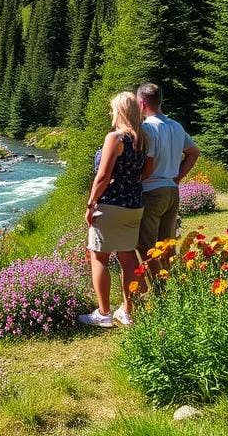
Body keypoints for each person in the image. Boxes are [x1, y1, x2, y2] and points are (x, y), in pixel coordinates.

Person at [78, 91, 153, 328]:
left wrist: (91, 204)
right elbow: (148, 171)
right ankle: (127, 311)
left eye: (113, 109)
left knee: (98, 256)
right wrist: (130, 184)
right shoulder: (143, 139)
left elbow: (102, 176)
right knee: (128, 256)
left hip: (111, 204)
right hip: (134, 204)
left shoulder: (116, 138)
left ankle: (104, 313)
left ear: (119, 111)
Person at [136, 82, 200, 271]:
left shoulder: (147, 127)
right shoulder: (176, 126)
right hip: (172, 190)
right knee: (167, 246)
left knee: (147, 247)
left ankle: (158, 293)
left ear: (141, 104)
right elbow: (194, 152)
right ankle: (171, 290)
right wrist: (178, 178)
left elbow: (149, 162)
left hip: (151, 190)